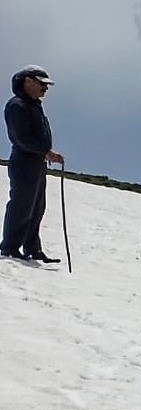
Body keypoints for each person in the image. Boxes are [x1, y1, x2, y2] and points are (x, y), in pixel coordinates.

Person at [2, 65, 64, 263]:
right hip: (23, 162)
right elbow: (20, 138)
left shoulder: (33, 105)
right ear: (27, 81)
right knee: (22, 205)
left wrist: (46, 153)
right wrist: (45, 151)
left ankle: (32, 248)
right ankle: (10, 247)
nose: (45, 89)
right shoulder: (17, 105)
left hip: (36, 163)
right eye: (42, 84)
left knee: (37, 206)